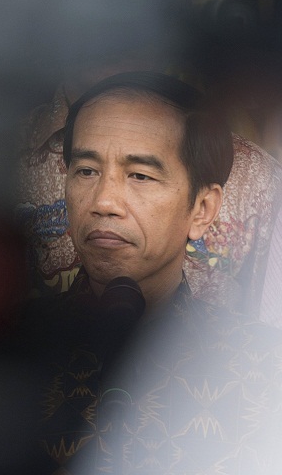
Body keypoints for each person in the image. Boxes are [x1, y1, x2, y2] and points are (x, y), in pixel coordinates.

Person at [16, 72, 282, 473]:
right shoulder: (12, 353)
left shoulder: (264, 369)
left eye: (140, 175)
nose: (104, 202)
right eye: (86, 171)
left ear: (203, 209)